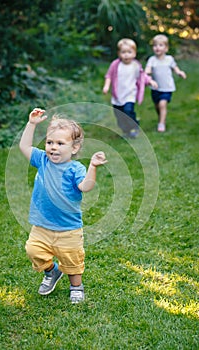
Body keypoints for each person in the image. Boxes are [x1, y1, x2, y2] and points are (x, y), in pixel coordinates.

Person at [19, 107, 107, 304]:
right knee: (34, 251)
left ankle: (76, 286)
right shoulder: (42, 160)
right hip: (41, 225)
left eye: (60, 143)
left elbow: (86, 186)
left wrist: (92, 167)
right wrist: (31, 124)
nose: (53, 147)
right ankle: (52, 272)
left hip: (68, 228)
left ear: (74, 148)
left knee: (72, 261)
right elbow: (24, 147)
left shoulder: (75, 168)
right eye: (50, 142)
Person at [103, 38, 158, 138]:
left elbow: (142, 76)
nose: (126, 55)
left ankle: (134, 125)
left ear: (134, 53)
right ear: (119, 53)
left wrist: (150, 81)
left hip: (130, 94)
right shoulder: (115, 65)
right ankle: (126, 131)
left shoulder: (136, 65)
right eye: (123, 52)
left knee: (128, 111)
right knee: (119, 115)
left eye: (129, 52)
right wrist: (106, 86)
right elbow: (109, 76)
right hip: (117, 96)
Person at [145, 34, 187, 132]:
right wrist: (146, 72)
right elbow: (148, 68)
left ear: (166, 48)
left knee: (162, 104)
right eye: (155, 45)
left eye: (160, 45)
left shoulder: (169, 59)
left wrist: (179, 72)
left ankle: (161, 124)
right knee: (157, 106)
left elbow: (175, 68)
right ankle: (161, 117)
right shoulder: (152, 59)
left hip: (167, 88)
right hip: (155, 88)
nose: (157, 47)